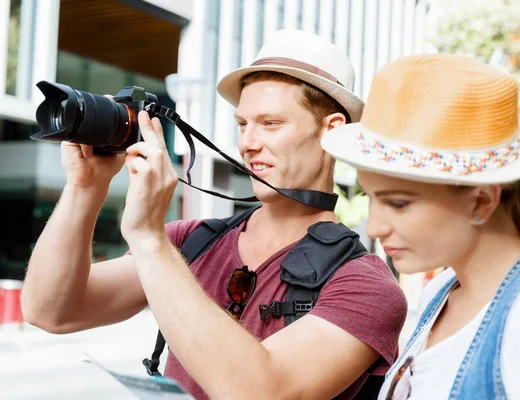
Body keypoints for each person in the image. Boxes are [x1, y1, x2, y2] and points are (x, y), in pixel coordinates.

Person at [21, 29, 407, 399]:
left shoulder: (367, 286)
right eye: (242, 124)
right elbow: (51, 311)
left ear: (331, 131)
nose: (248, 144)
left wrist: (149, 238)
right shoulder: (193, 241)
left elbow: (263, 392)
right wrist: (85, 189)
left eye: (271, 124)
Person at [321, 53, 520, 399]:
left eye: (398, 203)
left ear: (482, 201)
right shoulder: (440, 293)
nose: (375, 227)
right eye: (370, 196)